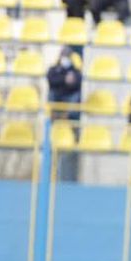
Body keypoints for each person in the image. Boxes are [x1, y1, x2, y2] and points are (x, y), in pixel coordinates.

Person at [46, 47, 83, 183]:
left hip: (69, 111)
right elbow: (52, 80)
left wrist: (69, 80)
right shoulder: (54, 69)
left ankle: (69, 179)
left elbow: (77, 82)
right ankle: (50, 177)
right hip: (57, 105)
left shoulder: (75, 71)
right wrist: (64, 80)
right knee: (52, 94)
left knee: (75, 97)